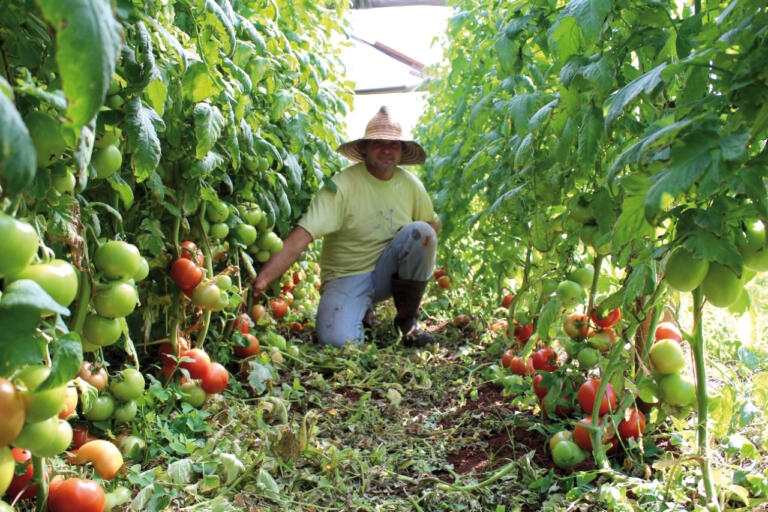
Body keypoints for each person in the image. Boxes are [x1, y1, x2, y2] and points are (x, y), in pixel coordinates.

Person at [251, 106, 441, 347]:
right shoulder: (342, 186)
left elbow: (431, 226)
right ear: (364, 148)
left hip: (387, 274)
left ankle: (407, 320)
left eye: (393, 144)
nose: (386, 150)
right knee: (338, 341)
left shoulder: (411, 185)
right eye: (378, 143)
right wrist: (263, 280)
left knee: (422, 233)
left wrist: (415, 269)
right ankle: (361, 313)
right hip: (346, 275)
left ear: (402, 150)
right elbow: (302, 236)